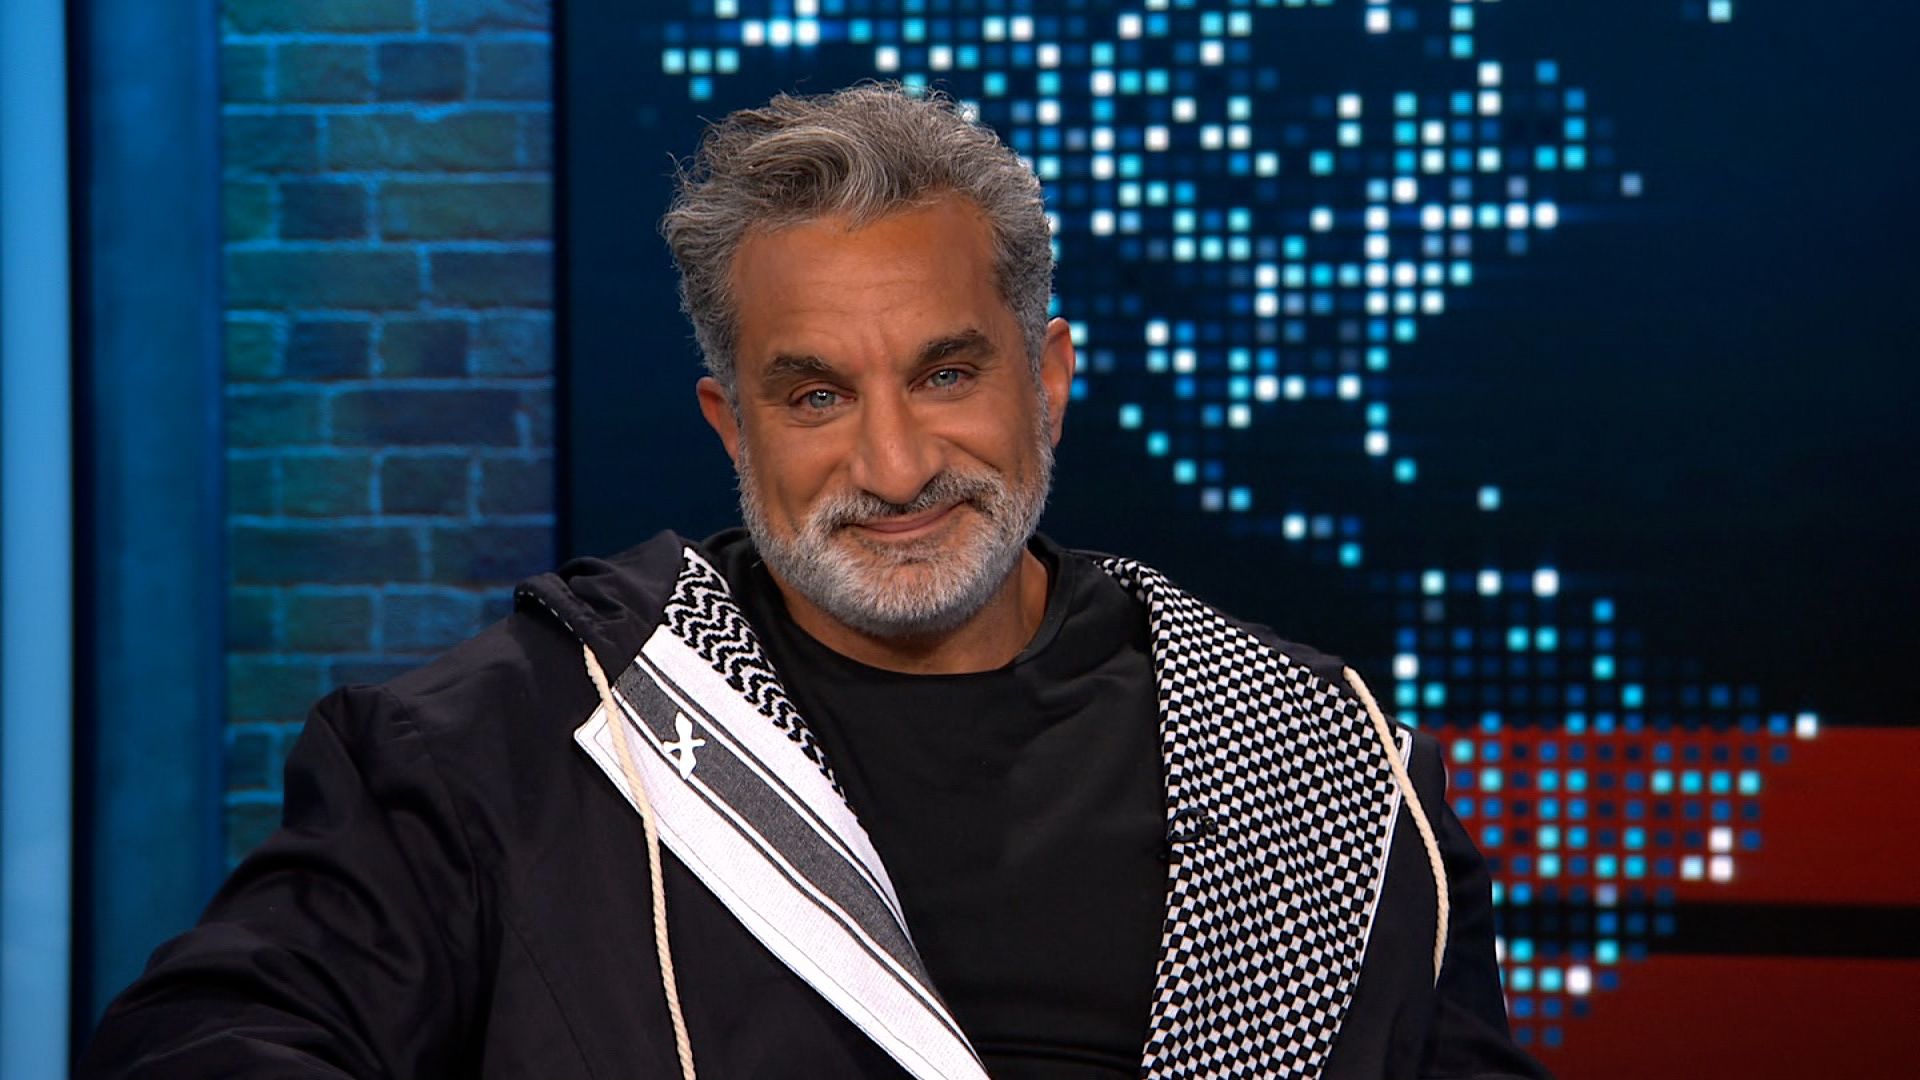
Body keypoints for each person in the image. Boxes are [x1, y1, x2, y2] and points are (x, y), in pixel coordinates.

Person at [82, 84, 1549, 1080]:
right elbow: (205, 1040)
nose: (896, 467)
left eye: (949, 374)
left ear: (1048, 380)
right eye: (816, 396)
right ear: (733, 426)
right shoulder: (507, 750)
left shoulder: (1329, 763)